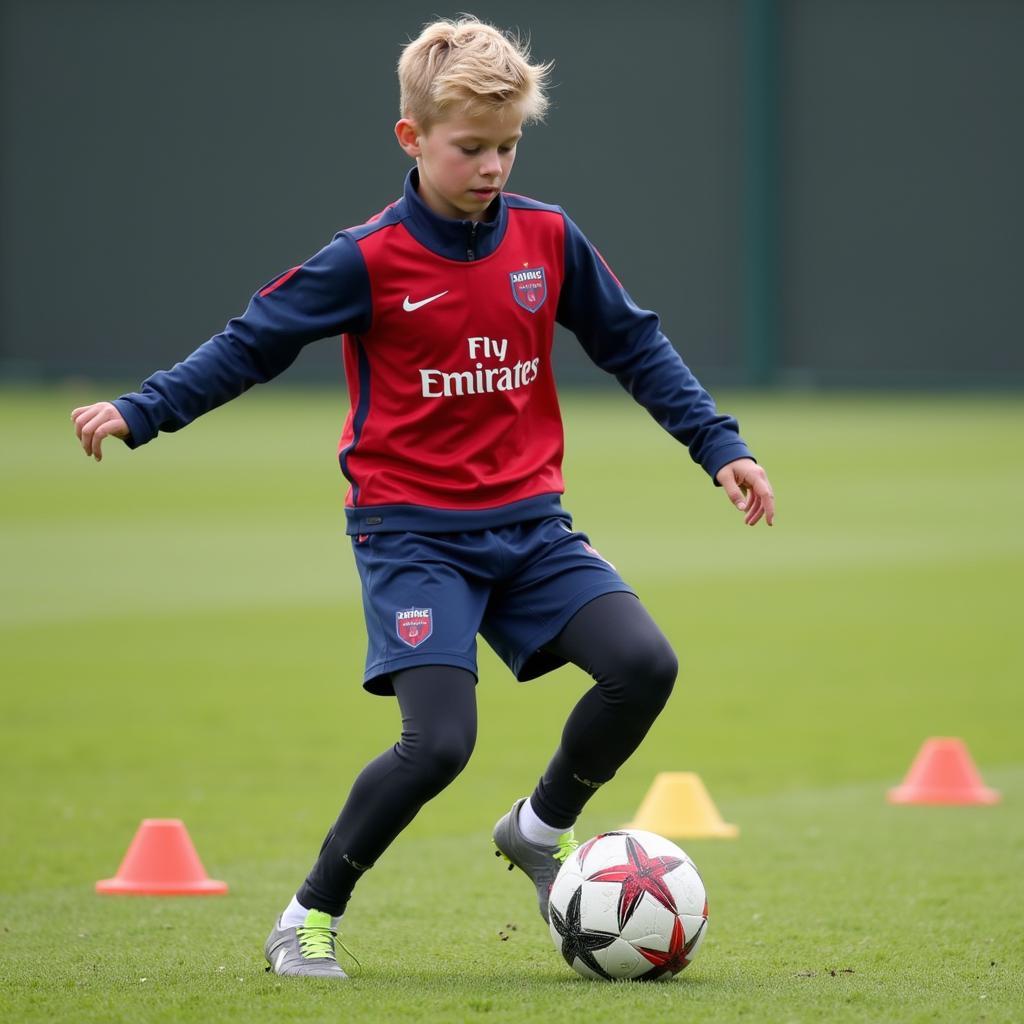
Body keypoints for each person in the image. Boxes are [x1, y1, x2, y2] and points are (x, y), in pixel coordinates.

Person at [71, 17, 775, 979]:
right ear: (412, 139)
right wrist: (140, 409)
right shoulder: (367, 259)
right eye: (471, 147)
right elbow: (250, 344)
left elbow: (635, 343)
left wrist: (718, 444)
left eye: (508, 146)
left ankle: (539, 827)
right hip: (413, 538)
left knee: (644, 665)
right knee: (440, 743)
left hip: (531, 528)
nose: (492, 166)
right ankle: (308, 915)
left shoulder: (546, 239)